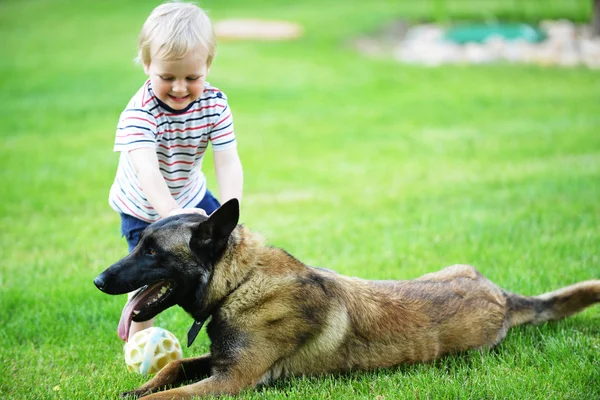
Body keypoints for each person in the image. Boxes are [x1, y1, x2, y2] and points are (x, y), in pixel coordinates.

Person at [108, 1, 243, 340]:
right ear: (147, 65)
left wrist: (229, 212)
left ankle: (237, 324)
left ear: (208, 66)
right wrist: (171, 214)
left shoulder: (215, 103)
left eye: (192, 78)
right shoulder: (139, 114)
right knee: (149, 275)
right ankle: (139, 346)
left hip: (192, 195)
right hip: (144, 206)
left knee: (232, 254)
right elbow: (147, 171)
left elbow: (227, 160)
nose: (180, 88)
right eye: (167, 77)